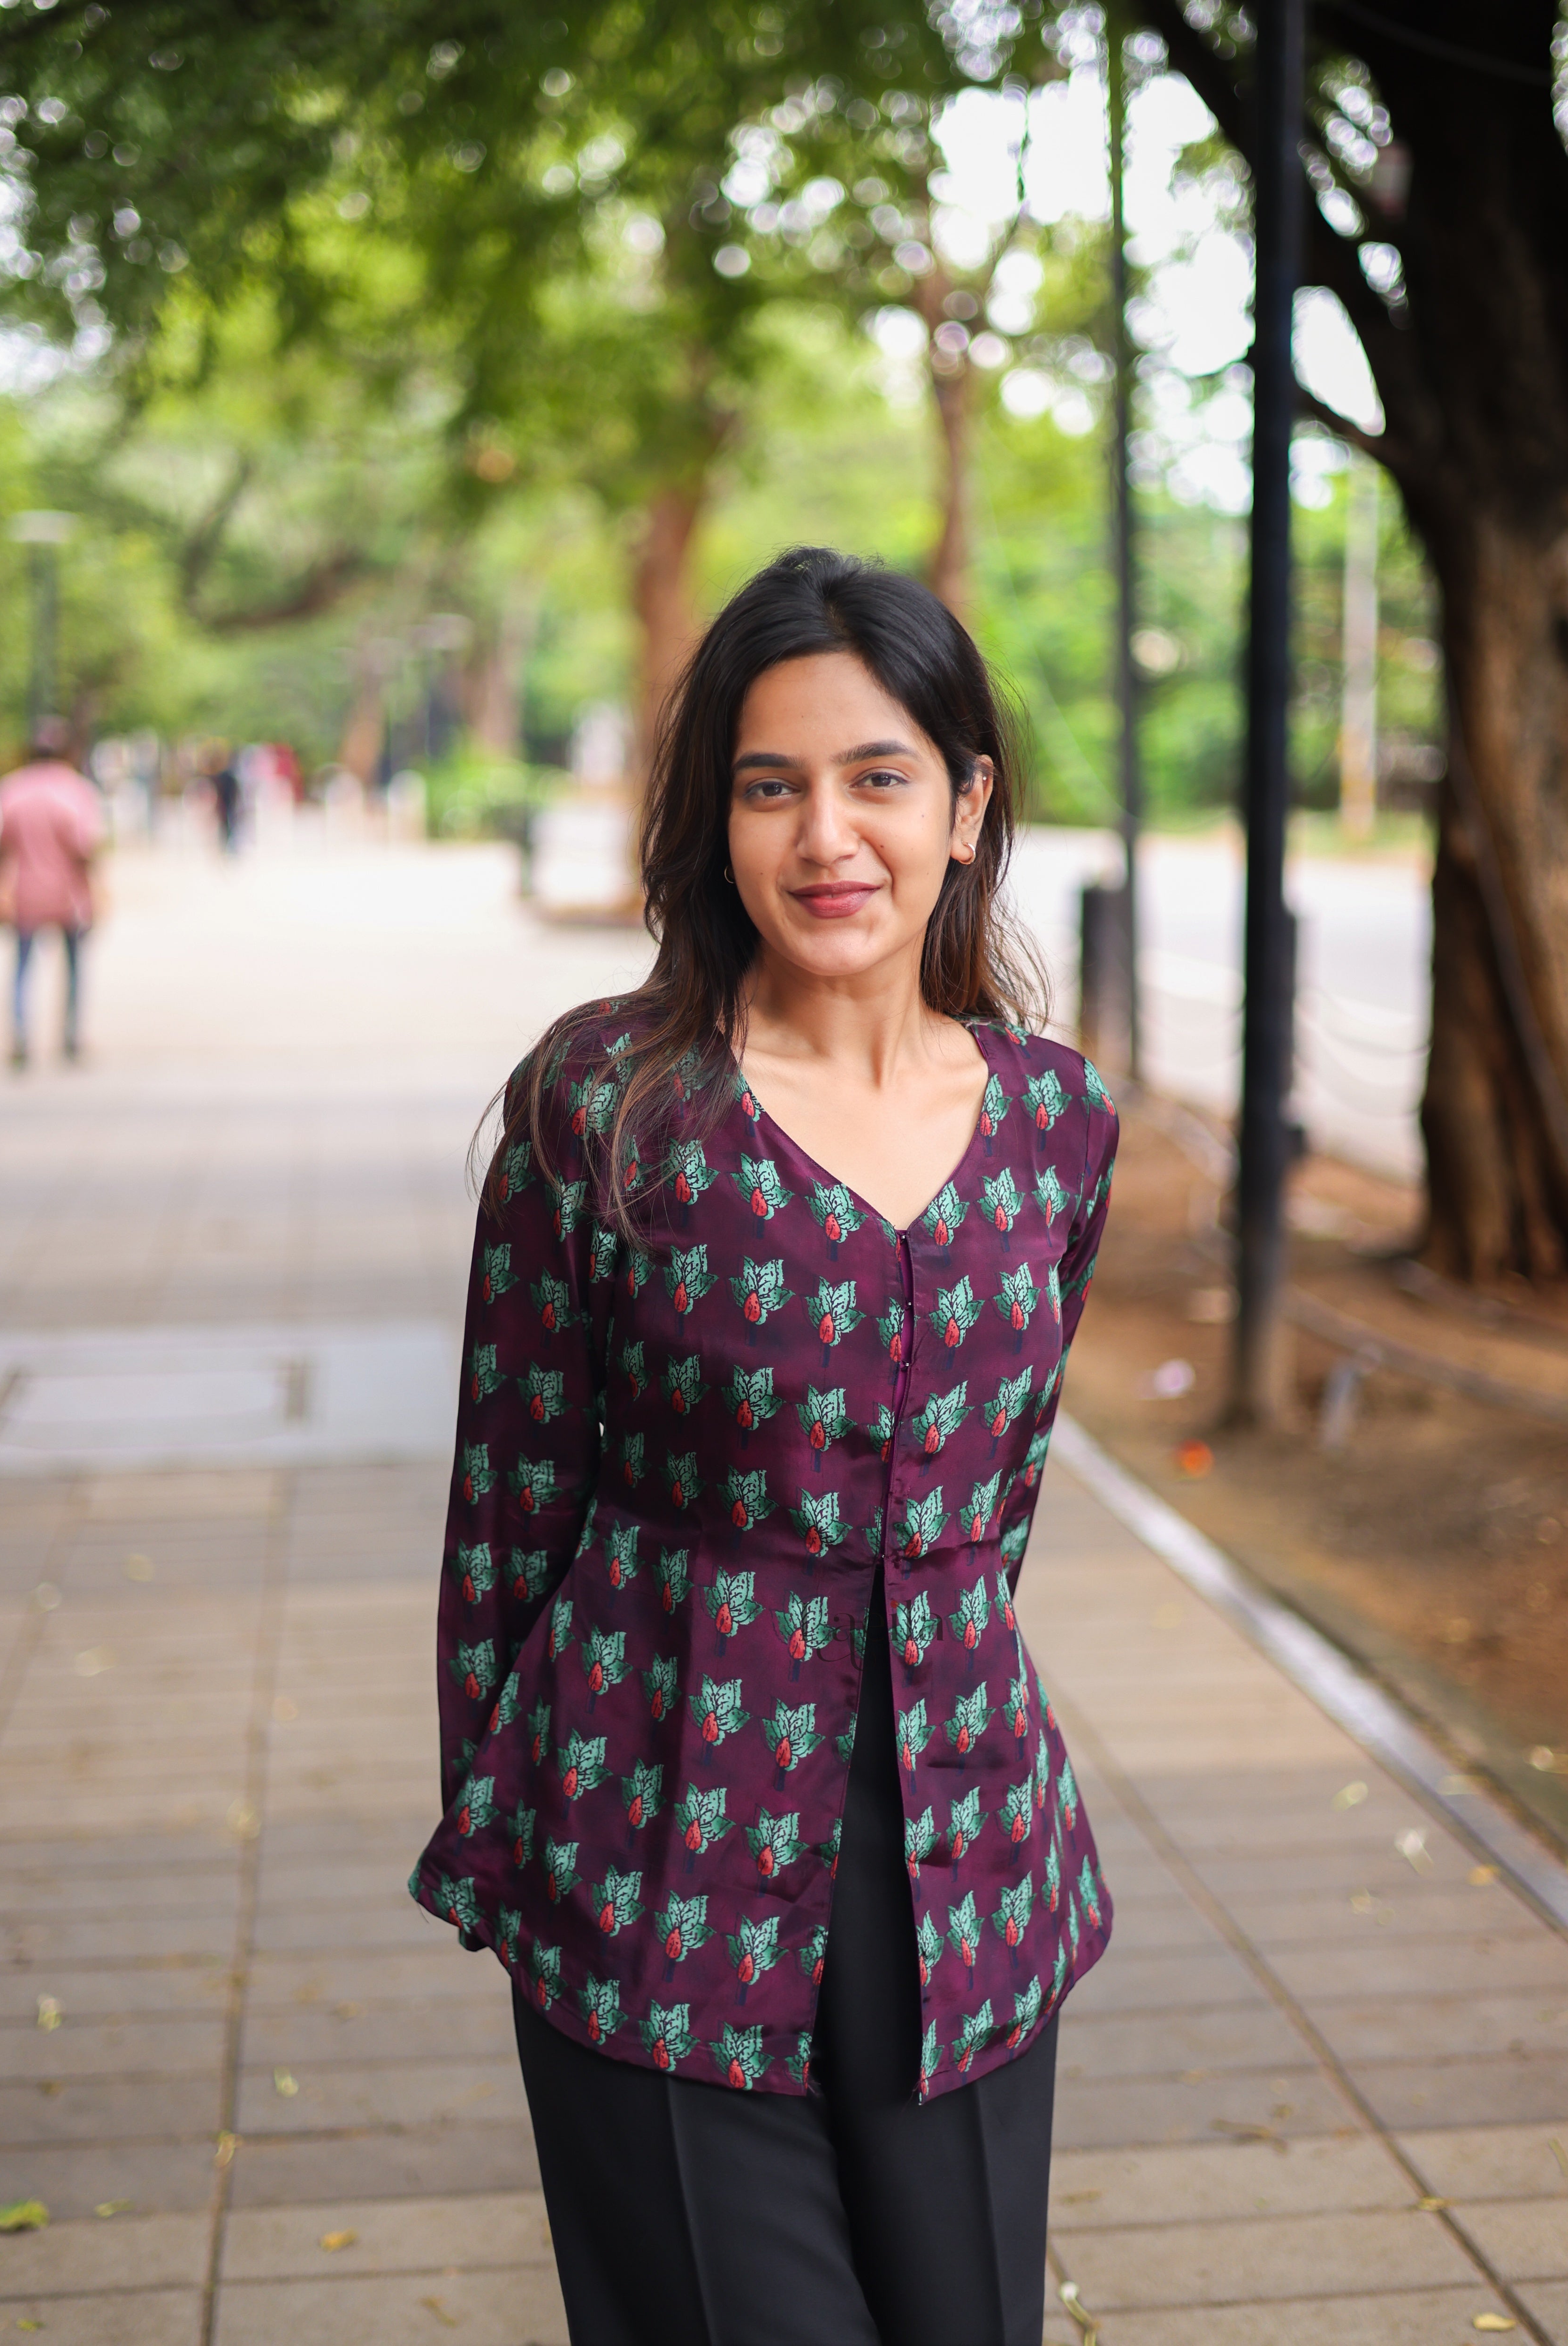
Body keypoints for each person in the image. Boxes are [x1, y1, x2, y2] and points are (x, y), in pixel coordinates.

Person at [410, 548, 1119, 2346]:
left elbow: (1000, 1491)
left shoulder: (1052, 1122)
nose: (827, 836)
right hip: (659, 1846)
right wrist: (523, 1844)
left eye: (878, 777)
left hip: (966, 1864)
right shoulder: (613, 1101)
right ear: (712, 822)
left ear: (965, 805)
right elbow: (505, 1514)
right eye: (769, 784)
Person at [0, 720, 105, 1068]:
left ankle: (21, 1035)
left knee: (23, 968)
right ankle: (70, 1036)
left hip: (24, 893)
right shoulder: (76, 791)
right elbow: (86, 848)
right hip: (67, 895)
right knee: (72, 968)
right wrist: (96, 891)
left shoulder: (12, 789)